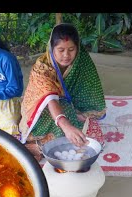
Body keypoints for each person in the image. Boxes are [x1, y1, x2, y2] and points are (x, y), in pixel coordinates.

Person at [19, 23, 107, 160]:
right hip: (42, 108)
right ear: (51, 48)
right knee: (65, 129)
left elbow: (89, 89)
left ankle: (44, 147)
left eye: (71, 49)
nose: (66, 55)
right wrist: (66, 125)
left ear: (78, 48)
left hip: (70, 107)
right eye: (61, 50)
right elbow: (50, 99)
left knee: (94, 138)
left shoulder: (81, 60)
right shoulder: (42, 67)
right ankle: (35, 146)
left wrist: (79, 115)